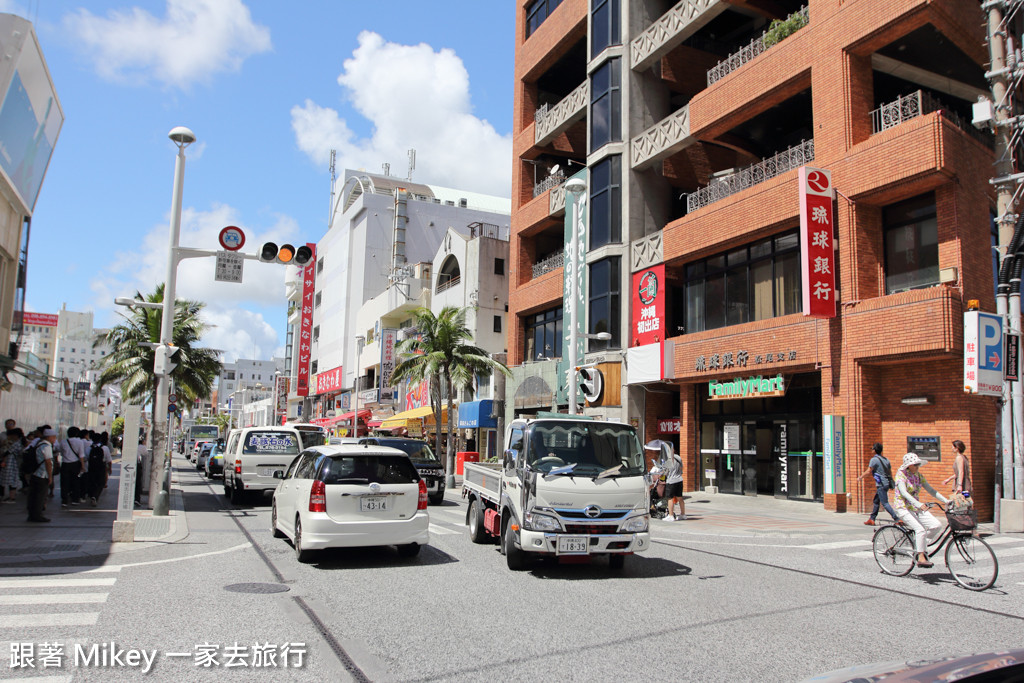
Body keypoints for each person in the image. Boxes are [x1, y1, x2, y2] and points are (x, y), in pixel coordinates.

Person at [893, 452, 948, 568]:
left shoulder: (918, 476)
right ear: (908, 465)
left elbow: (931, 490)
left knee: (936, 525)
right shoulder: (901, 475)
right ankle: (921, 557)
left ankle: (920, 546)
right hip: (903, 507)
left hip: (915, 508)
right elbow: (903, 493)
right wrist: (918, 503)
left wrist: (946, 501)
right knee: (920, 530)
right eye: (915, 464)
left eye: (918, 464)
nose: (918, 466)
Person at [856, 442, 897, 525]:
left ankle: (897, 519)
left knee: (885, 503)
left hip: (881, 484)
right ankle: (872, 519)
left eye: (872, 449)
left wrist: (860, 477)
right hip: (886, 483)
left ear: (874, 450)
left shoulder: (874, 460)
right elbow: (890, 472)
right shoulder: (886, 460)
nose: (871, 450)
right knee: (876, 501)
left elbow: (868, 471)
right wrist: (891, 482)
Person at [25, 427, 55, 522]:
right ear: (49, 437)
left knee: (33, 495)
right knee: (40, 496)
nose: (54, 440)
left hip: (35, 473)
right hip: (42, 474)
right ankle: (37, 515)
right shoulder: (47, 446)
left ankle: (31, 515)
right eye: (54, 437)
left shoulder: (38, 444)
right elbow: (48, 462)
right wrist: (50, 476)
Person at [59, 426, 85, 508]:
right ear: (77, 433)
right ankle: (75, 499)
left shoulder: (63, 442)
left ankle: (64, 500)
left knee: (64, 482)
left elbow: (61, 452)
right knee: (76, 481)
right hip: (75, 464)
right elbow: (81, 455)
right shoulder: (80, 442)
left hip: (65, 464)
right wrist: (83, 466)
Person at [660, 442, 686, 521]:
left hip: (671, 481)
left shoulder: (667, 461)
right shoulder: (678, 457)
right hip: (679, 479)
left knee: (670, 498)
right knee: (680, 498)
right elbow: (682, 468)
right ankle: (683, 514)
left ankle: (671, 515)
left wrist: (661, 474)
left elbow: (664, 473)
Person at [0, 427, 24, 502]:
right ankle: (10, 497)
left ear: (15, 435)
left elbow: (7, 452)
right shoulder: (17, 442)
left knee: (11, 480)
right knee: (11, 479)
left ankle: (12, 497)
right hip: (11, 462)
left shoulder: (16, 443)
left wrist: (2, 457)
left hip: (11, 463)